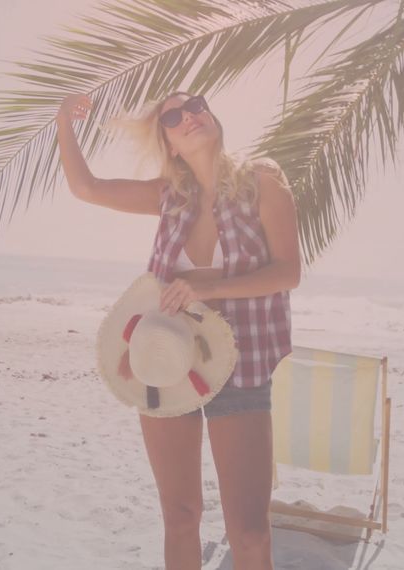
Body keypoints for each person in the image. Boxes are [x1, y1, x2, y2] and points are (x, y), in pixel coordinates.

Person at [56, 90, 300, 570]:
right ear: (168, 143)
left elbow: (287, 272)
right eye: (173, 116)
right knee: (181, 516)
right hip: (164, 363)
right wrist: (64, 119)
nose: (189, 116)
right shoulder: (167, 198)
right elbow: (85, 187)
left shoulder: (262, 183)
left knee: (249, 533)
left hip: (244, 365)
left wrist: (210, 286)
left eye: (196, 105)